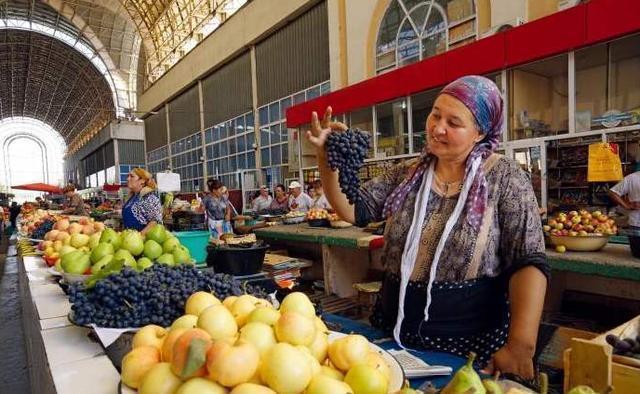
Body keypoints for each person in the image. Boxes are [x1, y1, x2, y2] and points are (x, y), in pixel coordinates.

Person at [306, 75, 549, 379]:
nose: (437, 127)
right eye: (435, 114)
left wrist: (520, 346)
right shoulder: (410, 172)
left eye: (453, 122)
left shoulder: (505, 179)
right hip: (393, 337)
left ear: (480, 132)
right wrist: (326, 156)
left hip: (468, 349)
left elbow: (528, 261)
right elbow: (355, 209)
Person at [608, 172, 640, 257]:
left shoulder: (632, 178)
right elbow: (613, 192)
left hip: (636, 224)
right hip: (636, 224)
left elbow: (613, 192)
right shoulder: (632, 178)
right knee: (637, 254)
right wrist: (626, 205)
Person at [121, 168, 162, 234]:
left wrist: (140, 236)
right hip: (130, 239)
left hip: (145, 241)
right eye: (128, 176)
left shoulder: (149, 197)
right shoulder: (132, 197)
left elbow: (155, 222)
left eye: (132, 176)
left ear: (142, 181)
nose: (127, 179)